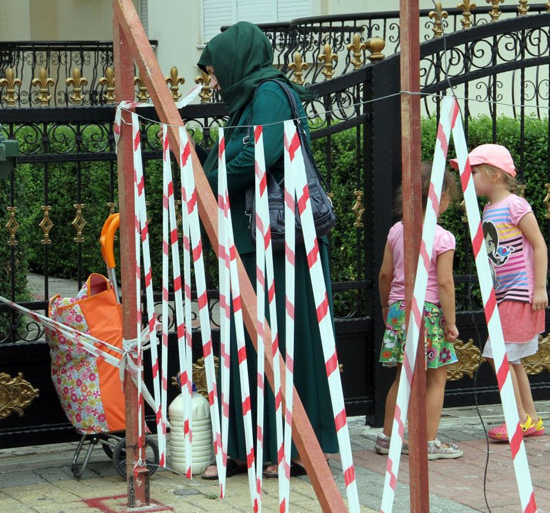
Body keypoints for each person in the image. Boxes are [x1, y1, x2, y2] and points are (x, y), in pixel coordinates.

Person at [194, 21, 339, 479]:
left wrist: (208, 178)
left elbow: (261, 154)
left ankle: (287, 449)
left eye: (215, 70)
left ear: (237, 61)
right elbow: (238, 152)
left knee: (283, 341)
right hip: (255, 242)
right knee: (250, 344)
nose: (212, 82)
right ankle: (247, 448)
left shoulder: (271, 93)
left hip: (280, 247)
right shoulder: (249, 99)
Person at [453, 144, 548, 442]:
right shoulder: (490, 208)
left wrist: (540, 287)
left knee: (497, 355)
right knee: (512, 358)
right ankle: (530, 418)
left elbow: (539, 245)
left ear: (494, 174)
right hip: (505, 292)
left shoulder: (515, 205)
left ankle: (518, 418)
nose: (468, 179)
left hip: (519, 292)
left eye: (474, 172)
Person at [374, 163, 464, 460]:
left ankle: (388, 437)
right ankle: (427, 442)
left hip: (400, 310)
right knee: (437, 378)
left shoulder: (396, 230)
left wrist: (388, 306)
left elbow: (385, 274)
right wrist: (450, 323)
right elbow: (445, 283)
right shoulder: (442, 238)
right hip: (428, 313)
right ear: (442, 197)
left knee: (403, 377)